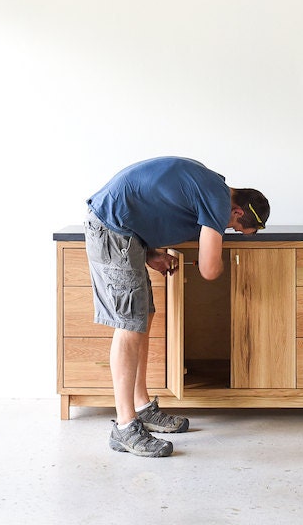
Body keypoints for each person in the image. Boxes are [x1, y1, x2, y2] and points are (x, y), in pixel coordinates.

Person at [84, 156, 270, 457]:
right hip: (110, 229)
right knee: (129, 325)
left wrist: (151, 253)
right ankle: (124, 426)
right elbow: (210, 269)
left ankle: (142, 408)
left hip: (124, 232)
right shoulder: (217, 198)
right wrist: (223, 263)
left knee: (142, 317)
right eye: (235, 227)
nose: (229, 230)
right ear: (237, 210)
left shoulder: (214, 187)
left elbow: (148, 203)